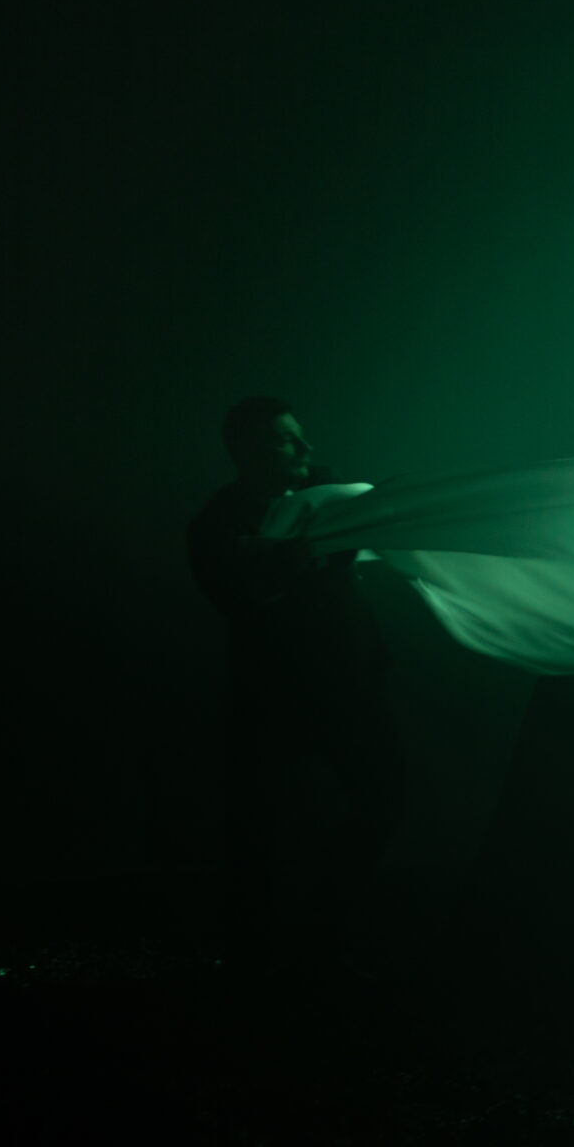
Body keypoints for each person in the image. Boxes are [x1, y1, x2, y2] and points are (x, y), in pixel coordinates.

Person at [186, 398, 406, 977]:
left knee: (385, 797)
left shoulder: (328, 493)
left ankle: (322, 929)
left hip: (352, 679)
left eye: (301, 436)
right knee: (268, 824)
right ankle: (269, 956)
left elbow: (369, 531)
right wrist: (288, 559)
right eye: (285, 440)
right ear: (245, 452)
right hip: (278, 695)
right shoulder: (217, 522)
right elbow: (237, 598)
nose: (306, 448)